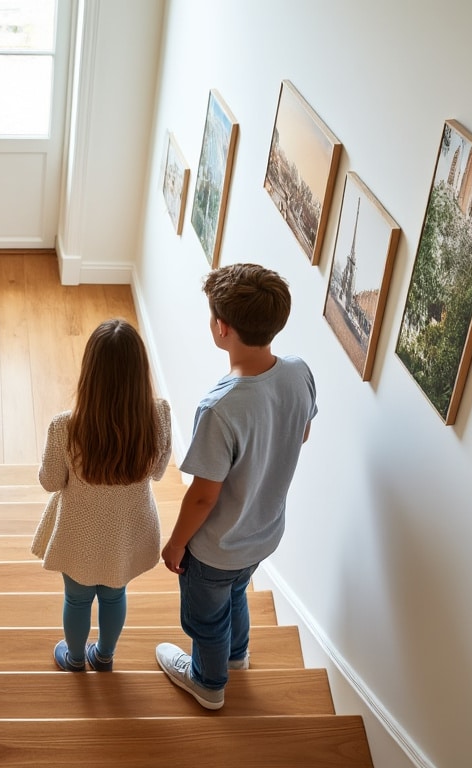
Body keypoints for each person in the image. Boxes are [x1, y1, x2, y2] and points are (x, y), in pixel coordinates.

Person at [156, 262, 317, 710]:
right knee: (238, 591)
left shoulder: (220, 408)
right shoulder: (299, 371)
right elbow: (301, 431)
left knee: (207, 618)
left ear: (222, 328)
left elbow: (204, 494)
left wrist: (175, 545)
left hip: (215, 547)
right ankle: (237, 656)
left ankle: (208, 682)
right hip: (264, 534)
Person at [32, 319, 172, 672]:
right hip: (129, 531)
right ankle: (104, 656)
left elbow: (50, 482)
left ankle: (76, 658)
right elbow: (157, 471)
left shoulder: (65, 425)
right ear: (140, 371)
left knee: (77, 600)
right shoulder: (159, 415)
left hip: (78, 534)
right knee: (115, 595)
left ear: (89, 372)